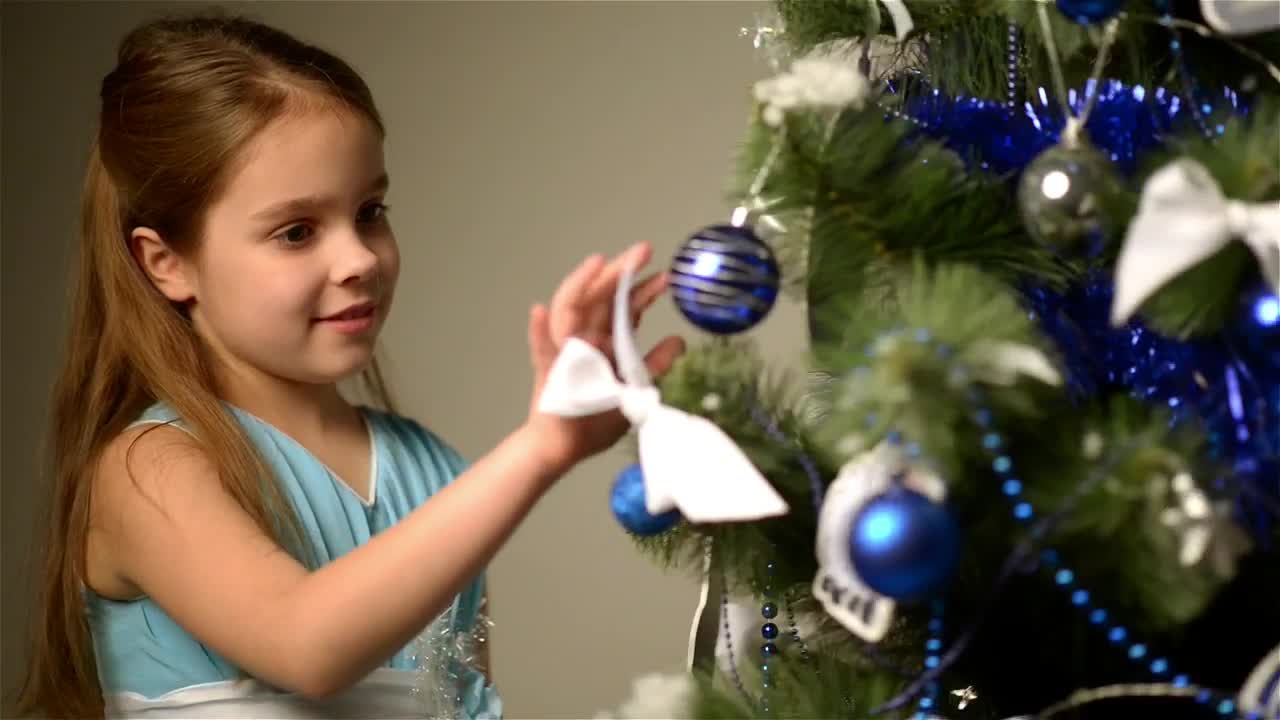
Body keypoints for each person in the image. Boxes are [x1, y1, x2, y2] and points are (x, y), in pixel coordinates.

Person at [18, 13, 684, 719]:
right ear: (167, 263)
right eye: (296, 232)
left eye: (369, 211)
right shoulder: (149, 468)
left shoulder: (436, 473)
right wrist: (542, 448)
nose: (360, 258)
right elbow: (305, 645)